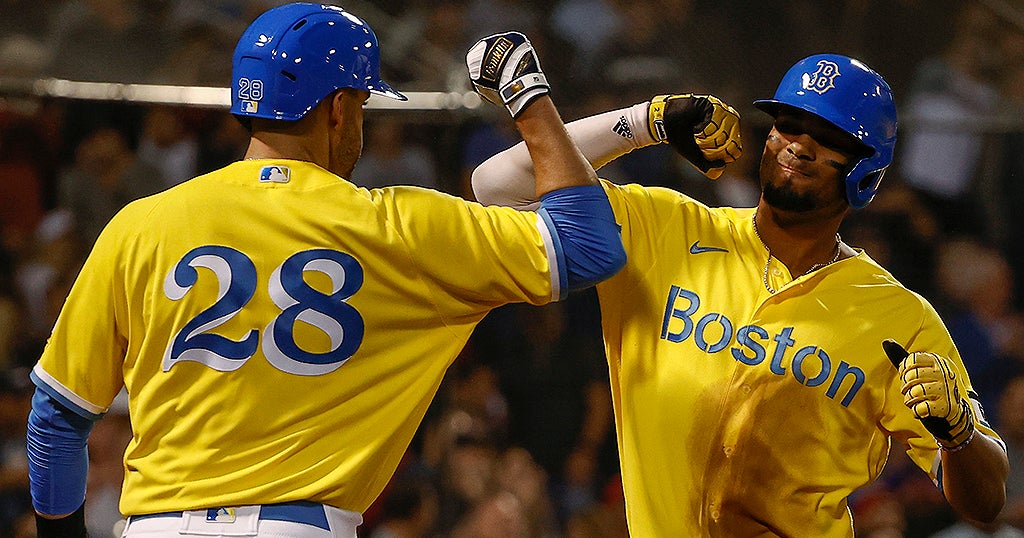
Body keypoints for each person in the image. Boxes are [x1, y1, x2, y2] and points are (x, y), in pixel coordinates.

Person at [25, 4, 626, 538]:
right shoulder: (396, 229)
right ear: (338, 109)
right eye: (362, 103)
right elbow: (588, 244)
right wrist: (529, 95)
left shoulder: (140, 226)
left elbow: (55, 419)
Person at [472, 53, 1010, 536]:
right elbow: (496, 185)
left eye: (825, 135)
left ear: (865, 171)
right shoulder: (670, 229)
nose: (797, 143)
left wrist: (959, 433)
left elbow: (986, 502)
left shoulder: (901, 317)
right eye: (787, 124)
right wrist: (644, 123)